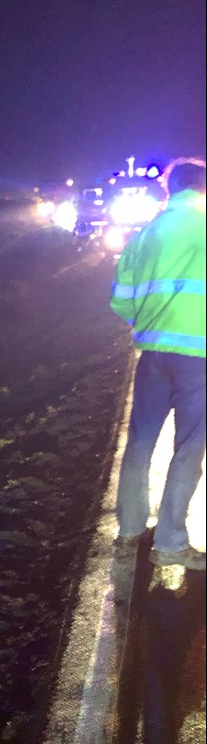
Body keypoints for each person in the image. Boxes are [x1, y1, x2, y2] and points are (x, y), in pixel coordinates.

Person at [111, 157, 206, 570]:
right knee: (188, 448)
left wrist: (148, 323)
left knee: (141, 440)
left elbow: (120, 299)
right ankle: (169, 542)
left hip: (153, 356)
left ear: (172, 189)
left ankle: (130, 528)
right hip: (200, 358)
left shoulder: (146, 234)